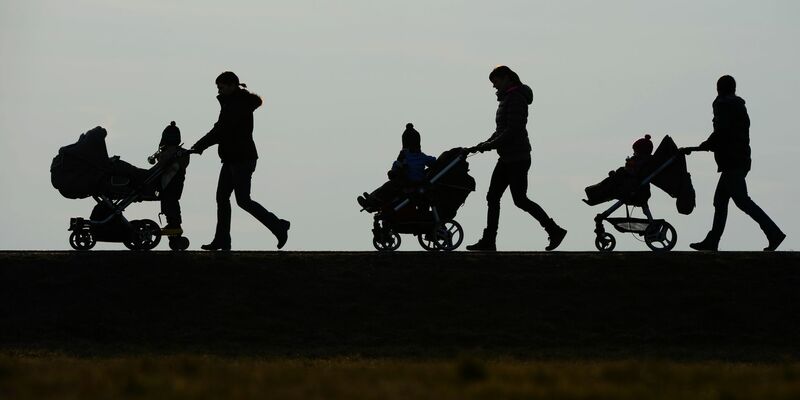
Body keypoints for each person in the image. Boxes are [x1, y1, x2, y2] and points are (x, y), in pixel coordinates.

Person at [466, 65, 567, 251]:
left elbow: (513, 130)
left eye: (495, 81)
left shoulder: (516, 99)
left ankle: (554, 230)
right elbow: (501, 130)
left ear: (506, 78)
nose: (494, 86)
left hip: (517, 158)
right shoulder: (507, 99)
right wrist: (484, 144)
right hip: (507, 157)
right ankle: (489, 240)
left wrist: (490, 145)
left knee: (519, 199)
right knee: (493, 196)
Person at [684, 75, 785, 251]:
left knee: (741, 200)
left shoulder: (723, 104)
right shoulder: (738, 105)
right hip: (740, 158)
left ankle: (773, 233)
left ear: (719, 88)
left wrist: (706, 145)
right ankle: (713, 240)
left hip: (732, 161)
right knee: (720, 201)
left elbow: (723, 130)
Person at [192, 71, 290, 250]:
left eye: (221, 87)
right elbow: (221, 129)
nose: (219, 91)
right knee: (222, 198)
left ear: (231, 85)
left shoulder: (237, 105)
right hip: (231, 158)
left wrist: (199, 146)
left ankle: (278, 225)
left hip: (242, 158)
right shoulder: (232, 103)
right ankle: (222, 239)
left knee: (243, 200)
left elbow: (221, 130)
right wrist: (200, 146)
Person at [357, 123, 437, 210]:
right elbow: (433, 161)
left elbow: (396, 167)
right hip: (416, 183)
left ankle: (372, 201)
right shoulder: (422, 156)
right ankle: (372, 198)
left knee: (388, 186)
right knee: (388, 186)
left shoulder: (404, 156)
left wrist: (394, 170)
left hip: (408, 184)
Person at [147, 121, 189, 236]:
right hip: (175, 184)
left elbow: (159, 167)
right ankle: (173, 224)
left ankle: (174, 224)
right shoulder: (182, 153)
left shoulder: (171, 153)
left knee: (169, 202)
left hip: (170, 184)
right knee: (169, 202)